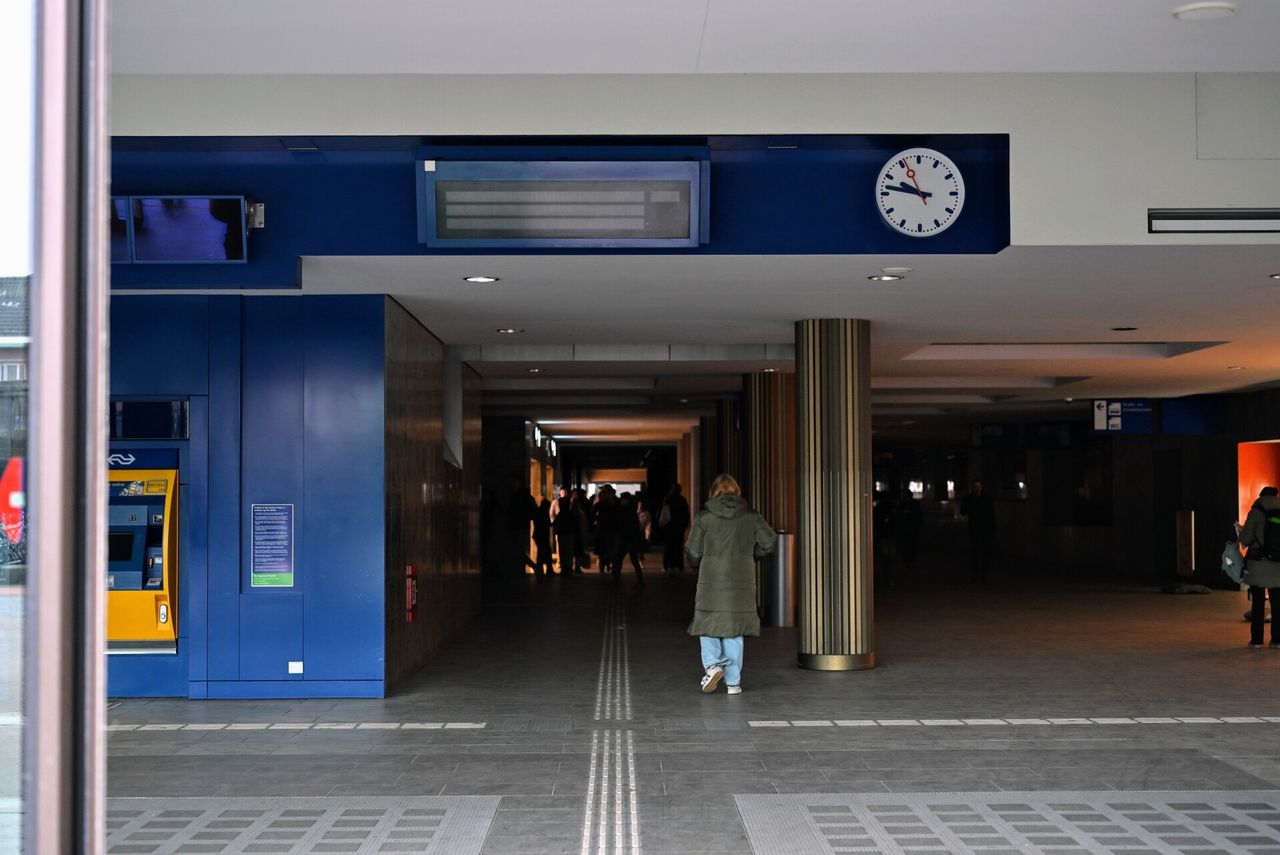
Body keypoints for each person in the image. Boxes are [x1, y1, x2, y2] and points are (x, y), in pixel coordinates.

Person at [685, 474, 777, 695]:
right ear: (736, 491)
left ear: (714, 492)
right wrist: (750, 556)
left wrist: (700, 563)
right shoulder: (751, 517)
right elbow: (769, 541)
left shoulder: (704, 518)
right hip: (741, 581)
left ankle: (713, 665)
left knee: (708, 625)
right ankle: (733, 683)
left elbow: (693, 550)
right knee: (735, 630)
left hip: (711, 580)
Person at [1239, 486, 1280, 649]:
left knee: (1257, 602)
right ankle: (1277, 640)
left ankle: (1256, 640)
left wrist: (1241, 531)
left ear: (1261, 496)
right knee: (1278, 603)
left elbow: (1245, 539)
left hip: (1258, 562)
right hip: (1278, 562)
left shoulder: (1256, 511)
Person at [960, 479, 996, 583]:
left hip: (985, 529)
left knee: (985, 553)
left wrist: (992, 529)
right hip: (975, 529)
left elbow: (991, 514)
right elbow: (963, 511)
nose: (977, 488)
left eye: (979, 486)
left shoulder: (986, 498)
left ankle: (983, 576)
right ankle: (975, 575)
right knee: (976, 553)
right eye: (976, 486)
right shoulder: (969, 498)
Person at [660, 483, 692, 574]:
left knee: (668, 547)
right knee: (678, 547)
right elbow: (686, 515)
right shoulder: (682, 500)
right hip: (679, 528)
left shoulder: (667, 499)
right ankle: (679, 566)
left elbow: (664, 514)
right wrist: (684, 526)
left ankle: (668, 566)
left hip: (669, 527)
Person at [619, 491, 646, 588]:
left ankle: (617, 578)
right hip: (631, 539)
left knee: (622, 558)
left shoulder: (627, 511)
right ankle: (640, 580)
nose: (621, 500)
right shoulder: (631, 510)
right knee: (632, 560)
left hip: (629, 539)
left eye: (622, 499)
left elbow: (630, 526)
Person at [551, 486, 578, 575]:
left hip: (562, 533)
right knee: (567, 551)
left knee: (563, 551)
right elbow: (552, 515)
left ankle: (564, 568)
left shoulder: (561, 514)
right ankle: (567, 568)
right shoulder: (570, 513)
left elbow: (554, 521)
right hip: (569, 534)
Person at [531, 496, 555, 577]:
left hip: (538, 535)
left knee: (541, 553)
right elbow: (547, 524)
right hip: (542, 536)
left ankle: (541, 570)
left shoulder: (538, 512)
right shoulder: (543, 513)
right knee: (545, 552)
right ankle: (546, 569)